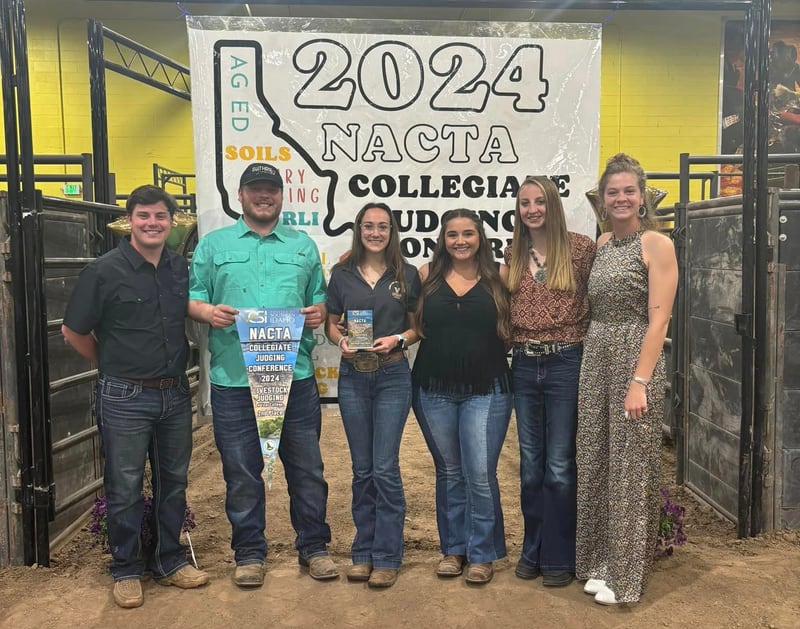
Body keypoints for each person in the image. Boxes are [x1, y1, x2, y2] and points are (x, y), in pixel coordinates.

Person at [187, 163, 336, 587]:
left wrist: (318, 314)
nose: (263, 196)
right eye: (256, 189)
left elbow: (320, 301)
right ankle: (249, 553)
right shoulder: (213, 245)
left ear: (281, 196)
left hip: (297, 378)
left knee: (307, 469)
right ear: (241, 196)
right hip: (233, 379)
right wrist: (208, 312)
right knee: (240, 471)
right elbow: (194, 297)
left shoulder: (303, 245)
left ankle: (315, 547)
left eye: (271, 189)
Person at [62, 185, 209, 609]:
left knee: (174, 480)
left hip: (175, 391)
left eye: (160, 216)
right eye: (143, 216)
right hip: (124, 394)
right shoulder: (104, 271)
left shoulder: (179, 268)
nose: (152, 223)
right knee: (124, 484)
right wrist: (110, 365)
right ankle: (126, 569)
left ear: (171, 222)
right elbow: (73, 331)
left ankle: (169, 560)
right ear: (130, 221)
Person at [575, 153, 678, 605]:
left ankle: (626, 574)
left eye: (628, 191)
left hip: (635, 359)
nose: (620, 198)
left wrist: (639, 381)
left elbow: (659, 320)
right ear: (603, 199)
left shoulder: (656, 244)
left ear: (642, 197)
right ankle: (600, 561)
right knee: (596, 459)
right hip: (596, 356)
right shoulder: (601, 245)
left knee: (632, 468)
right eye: (612, 192)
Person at [411, 208, 512, 586]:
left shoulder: (499, 276)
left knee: (480, 475)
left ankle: (482, 554)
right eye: (452, 234)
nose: (460, 241)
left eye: (468, 234)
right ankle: (453, 550)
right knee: (449, 472)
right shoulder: (425, 276)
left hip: (487, 389)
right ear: (443, 239)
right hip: (432, 388)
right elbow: (385, 287)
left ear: (480, 237)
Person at [505, 176, 595, 587]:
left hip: (565, 362)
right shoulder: (513, 251)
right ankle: (533, 549)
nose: (532, 209)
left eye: (539, 201)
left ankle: (560, 555)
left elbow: (602, 298)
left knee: (559, 465)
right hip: (523, 363)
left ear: (553, 204)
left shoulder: (580, 249)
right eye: (525, 203)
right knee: (530, 467)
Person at [325, 202, 421, 588]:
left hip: (393, 375)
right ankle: (361, 553)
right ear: (359, 229)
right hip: (353, 375)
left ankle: (386, 555)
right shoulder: (342, 274)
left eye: (383, 226)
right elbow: (332, 323)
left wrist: (398, 338)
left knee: (384, 466)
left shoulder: (407, 274)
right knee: (361, 468)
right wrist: (341, 341)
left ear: (392, 230)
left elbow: (417, 328)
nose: (376, 232)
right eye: (369, 226)